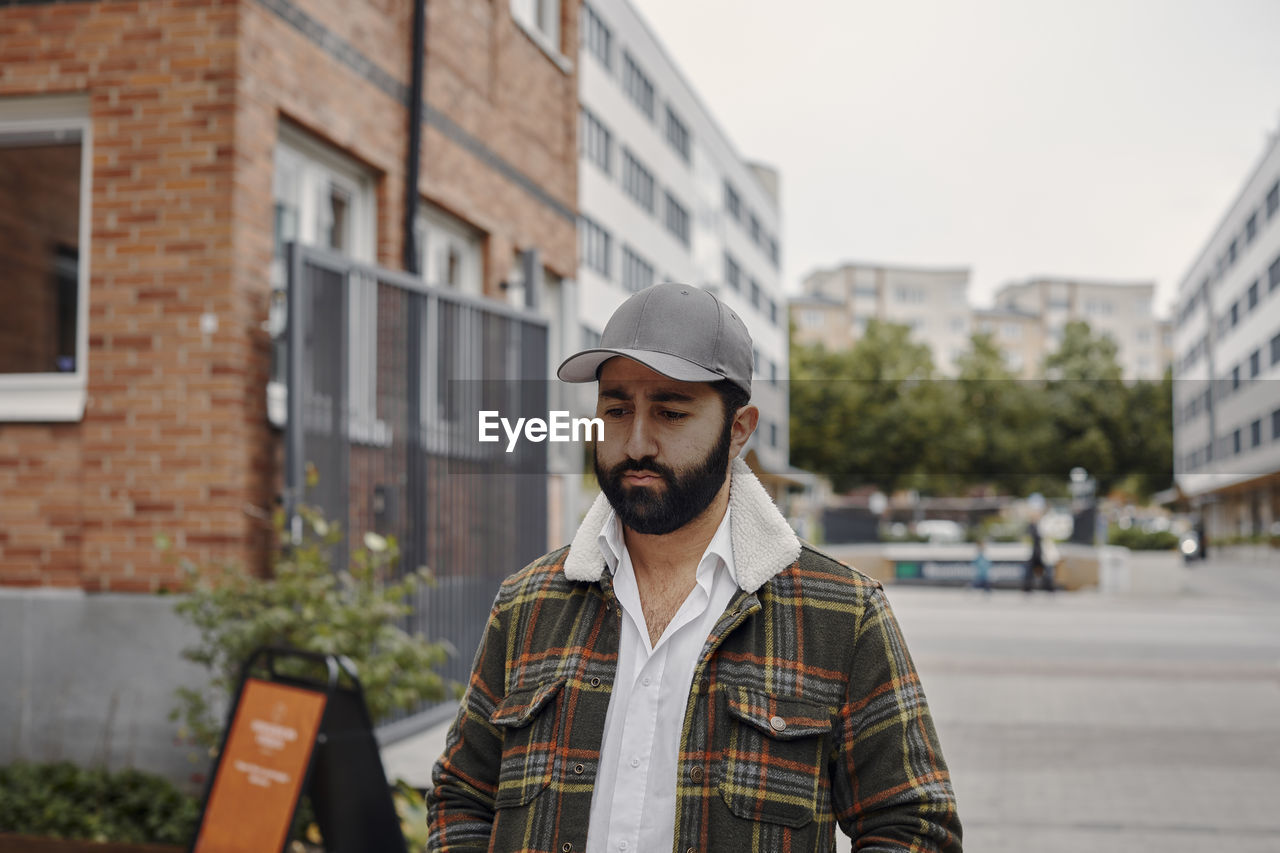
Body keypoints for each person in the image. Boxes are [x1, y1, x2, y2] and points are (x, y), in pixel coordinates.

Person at [427, 284, 962, 853]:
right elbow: (461, 796)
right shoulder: (528, 604)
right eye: (616, 409)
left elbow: (914, 827)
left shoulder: (842, 615)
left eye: (671, 412)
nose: (635, 442)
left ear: (738, 430)